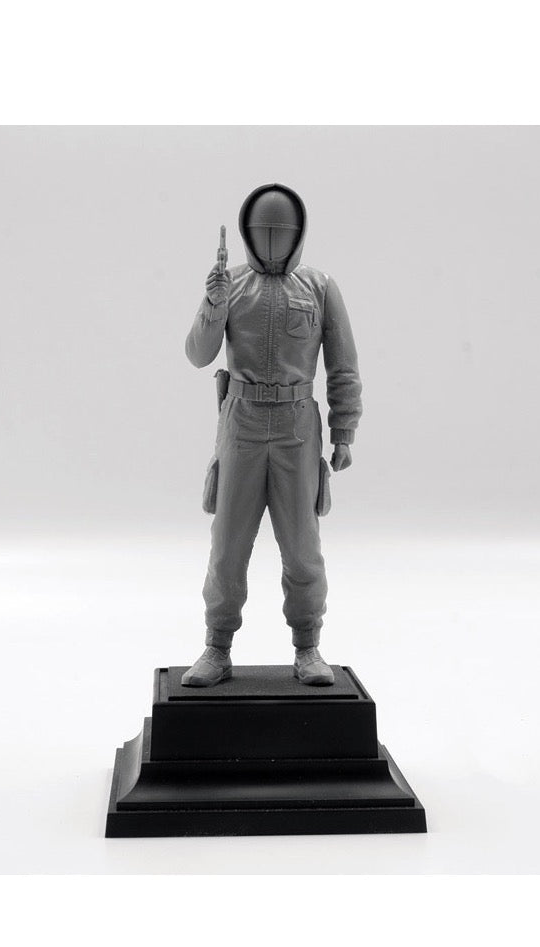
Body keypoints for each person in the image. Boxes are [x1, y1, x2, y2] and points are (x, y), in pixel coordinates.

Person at [182, 182, 362, 687]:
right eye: (262, 231)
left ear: (298, 234)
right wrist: (213, 304)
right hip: (240, 424)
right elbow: (198, 354)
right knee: (227, 546)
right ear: (246, 232)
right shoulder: (230, 285)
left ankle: (308, 645)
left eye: (281, 232)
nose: (271, 240)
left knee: (302, 546)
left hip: (296, 428)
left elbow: (343, 365)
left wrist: (344, 431)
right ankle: (217, 646)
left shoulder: (319, 287)